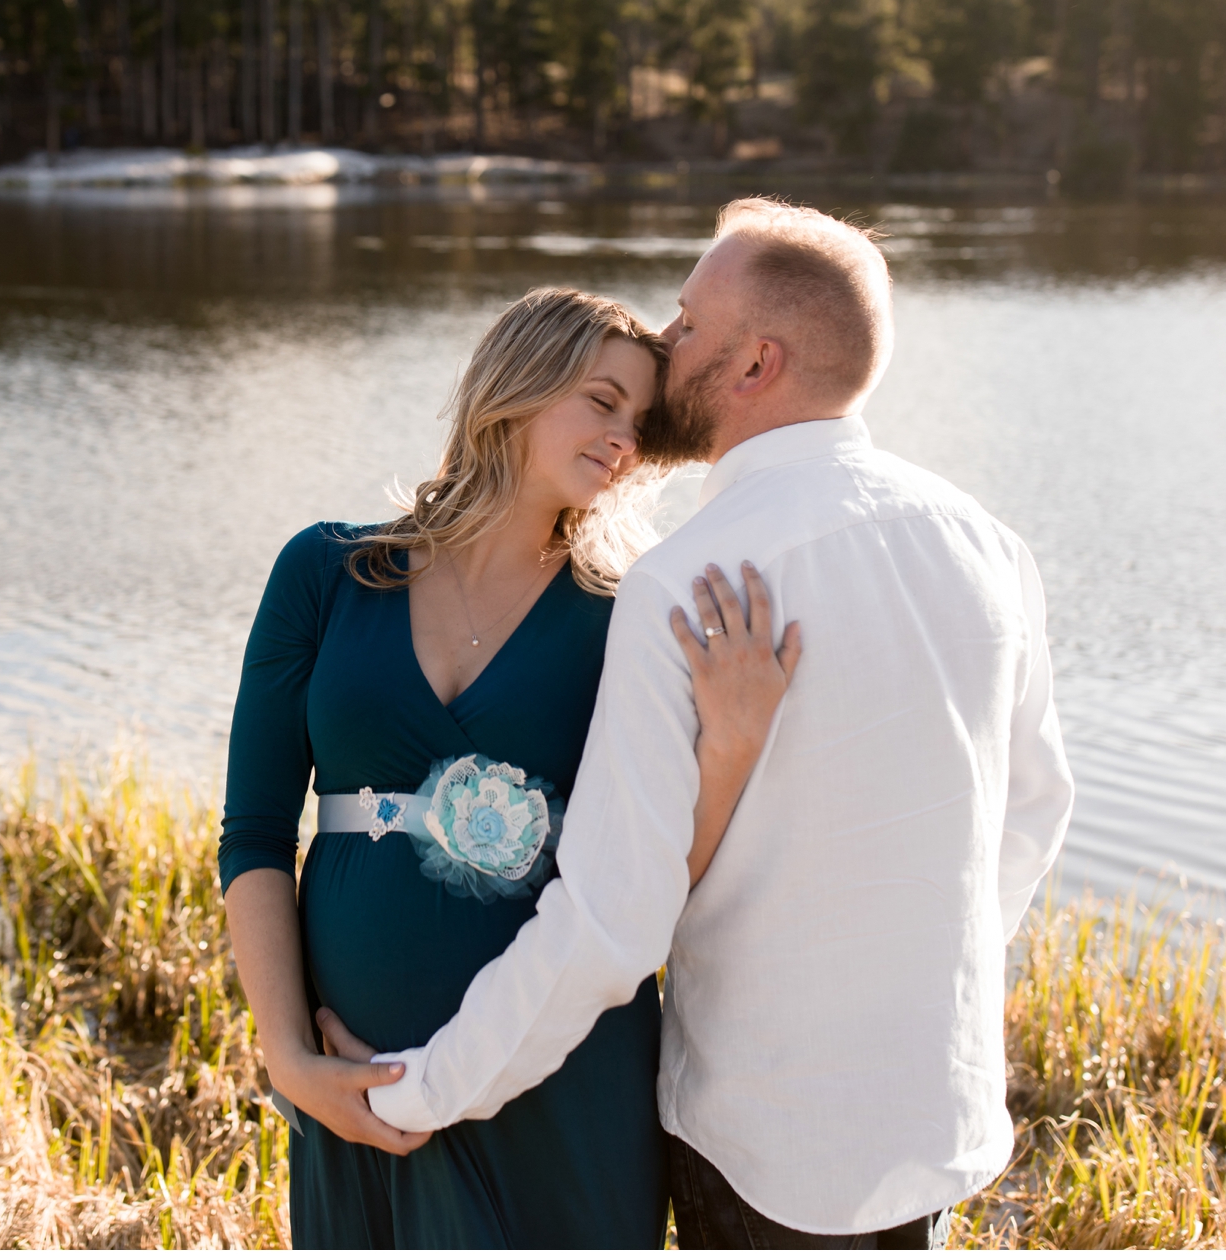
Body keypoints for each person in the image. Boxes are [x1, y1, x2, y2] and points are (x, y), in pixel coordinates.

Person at [360, 198, 1077, 1248]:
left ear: (756, 365)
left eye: (689, 324)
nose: (666, 341)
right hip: (930, 1118)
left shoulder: (687, 584)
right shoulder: (988, 546)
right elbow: (1034, 810)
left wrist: (415, 1092)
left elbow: (608, 922)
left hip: (762, 1140)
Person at [216, 287, 799, 1248]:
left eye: (641, 424)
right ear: (517, 386)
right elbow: (256, 833)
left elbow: (653, 874)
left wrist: (733, 745)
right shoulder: (324, 572)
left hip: (560, 1072)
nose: (624, 440)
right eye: (601, 401)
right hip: (354, 1070)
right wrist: (287, 1059)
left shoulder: (629, 613)